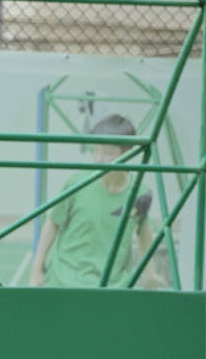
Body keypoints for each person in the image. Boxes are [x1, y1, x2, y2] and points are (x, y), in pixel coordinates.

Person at [32, 114, 166, 290]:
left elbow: (143, 231)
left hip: (112, 287)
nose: (99, 158)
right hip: (65, 282)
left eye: (108, 152)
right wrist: (36, 270)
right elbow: (52, 223)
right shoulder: (76, 183)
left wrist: (150, 273)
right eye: (95, 150)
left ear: (127, 153)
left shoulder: (140, 193)